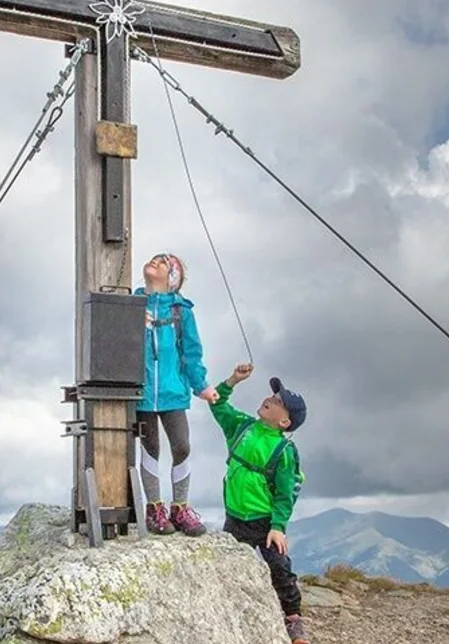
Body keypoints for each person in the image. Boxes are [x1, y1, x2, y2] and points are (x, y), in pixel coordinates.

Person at [208, 362, 309, 644]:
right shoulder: (242, 426)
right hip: (235, 517)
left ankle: (293, 619)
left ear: (285, 422)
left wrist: (278, 527)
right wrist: (232, 380)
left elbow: (285, 494)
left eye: (278, 402)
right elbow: (217, 404)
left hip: (265, 523)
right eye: (272, 396)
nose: (269, 399)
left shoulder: (284, 450)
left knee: (280, 569)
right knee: (226, 566)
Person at [134, 252, 215, 537]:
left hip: (173, 392)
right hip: (141, 393)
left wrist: (201, 385)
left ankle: (180, 507)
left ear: (172, 279)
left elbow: (191, 352)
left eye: (163, 263)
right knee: (150, 448)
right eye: (154, 259)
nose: (154, 261)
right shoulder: (132, 304)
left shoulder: (182, 312)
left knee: (181, 446)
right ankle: (154, 508)